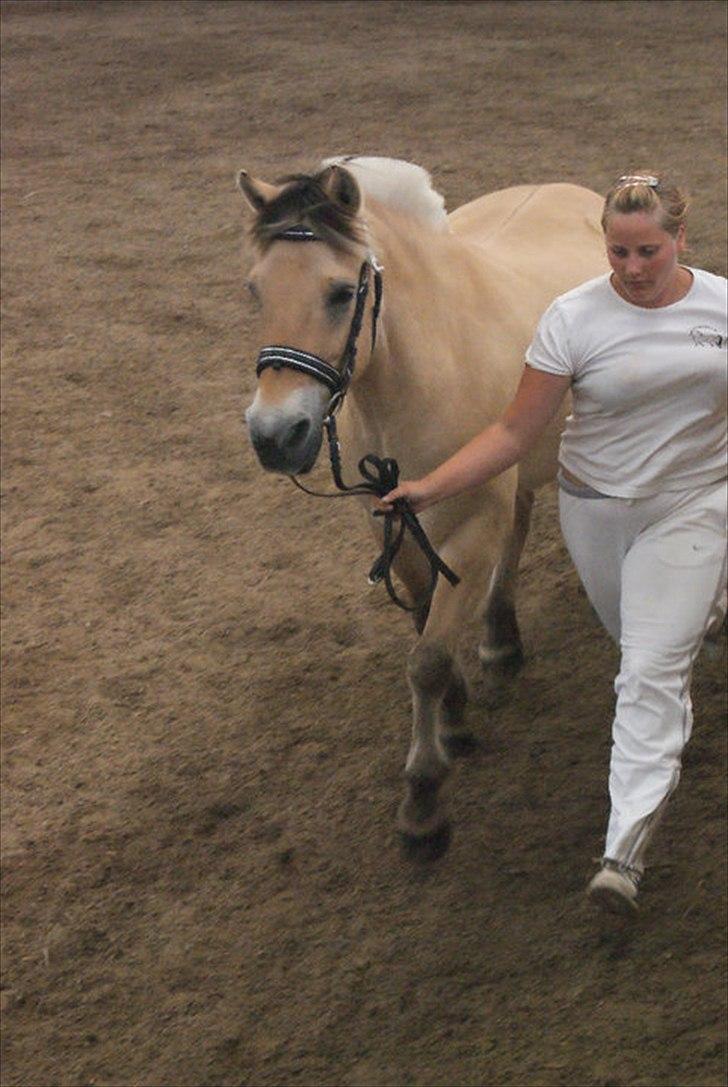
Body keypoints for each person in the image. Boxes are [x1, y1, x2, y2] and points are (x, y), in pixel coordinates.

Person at [380, 174, 728, 916]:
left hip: (691, 509)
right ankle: (699, 624)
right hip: (594, 514)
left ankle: (621, 857)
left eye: (649, 251)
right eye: (618, 251)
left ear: (680, 242)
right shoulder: (571, 315)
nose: (633, 268)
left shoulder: (722, 310)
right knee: (640, 638)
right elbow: (513, 432)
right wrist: (431, 487)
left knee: (645, 671)